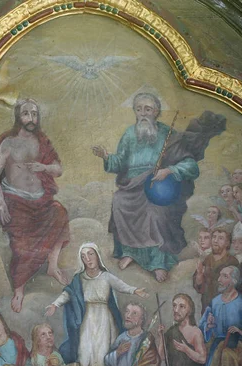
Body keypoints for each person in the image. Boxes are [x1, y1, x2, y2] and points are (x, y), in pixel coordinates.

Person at [92, 92, 225, 282]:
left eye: (148, 109)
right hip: (132, 185)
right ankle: (131, 252)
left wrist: (169, 170)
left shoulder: (169, 136)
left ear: (156, 112)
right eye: (139, 109)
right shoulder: (130, 134)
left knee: (156, 212)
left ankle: (158, 262)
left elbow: (191, 166)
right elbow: (120, 163)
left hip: (158, 186)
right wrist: (106, 157)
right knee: (119, 201)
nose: (143, 113)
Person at [0, 98, 70, 313]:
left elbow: (58, 169)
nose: (31, 118)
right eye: (26, 114)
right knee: (22, 244)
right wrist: (0, 204)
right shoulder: (8, 143)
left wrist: (43, 167)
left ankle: (52, 266)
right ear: (18, 116)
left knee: (60, 213)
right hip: (15, 200)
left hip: (39, 199)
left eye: (34, 114)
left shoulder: (42, 141)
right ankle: (19, 288)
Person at [45, 242, 148, 366]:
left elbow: (121, 286)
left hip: (104, 318)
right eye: (83, 256)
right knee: (85, 349)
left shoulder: (106, 276)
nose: (87, 259)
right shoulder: (79, 278)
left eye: (90, 254)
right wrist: (55, 304)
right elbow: (68, 294)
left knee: (102, 348)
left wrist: (135, 290)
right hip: (87, 318)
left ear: (97, 256)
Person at [104, 302, 163, 366]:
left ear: (141, 320)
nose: (128, 315)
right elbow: (106, 361)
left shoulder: (147, 339)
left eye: (134, 313)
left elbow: (152, 365)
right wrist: (117, 353)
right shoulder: (121, 338)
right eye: (127, 311)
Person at [157, 293, 205, 366]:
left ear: (190, 310)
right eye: (174, 306)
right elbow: (162, 357)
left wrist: (186, 349)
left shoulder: (195, 332)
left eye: (181, 306)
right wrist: (161, 337)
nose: (176, 310)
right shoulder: (171, 332)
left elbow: (202, 358)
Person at [193, 228, 239, 309]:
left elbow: (237, 287)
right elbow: (199, 287)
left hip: (225, 306)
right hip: (207, 306)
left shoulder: (232, 262)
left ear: (227, 243)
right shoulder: (207, 259)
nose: (215, 240)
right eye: (214, 237)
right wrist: (199, 274)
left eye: (220, 238)